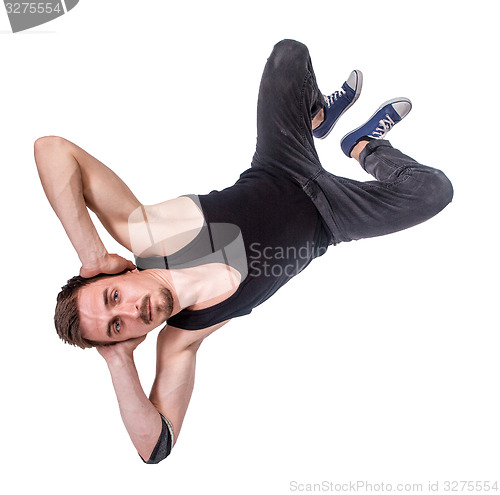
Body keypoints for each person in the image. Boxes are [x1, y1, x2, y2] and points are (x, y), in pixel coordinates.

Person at [35, 39, 453, 464]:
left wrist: (92, 257)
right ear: (129, 340)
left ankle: (318, 117)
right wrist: (117, 362)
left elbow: (51, 149)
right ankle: (364, 146)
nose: (129, 312)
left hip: (281, 163)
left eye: (113, 298)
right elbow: (155, 447)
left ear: (119, 274)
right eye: (116, 327)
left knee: (289, 55)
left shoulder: (147, 233)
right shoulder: (181, 340)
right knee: (434, 191)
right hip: (333, 220)